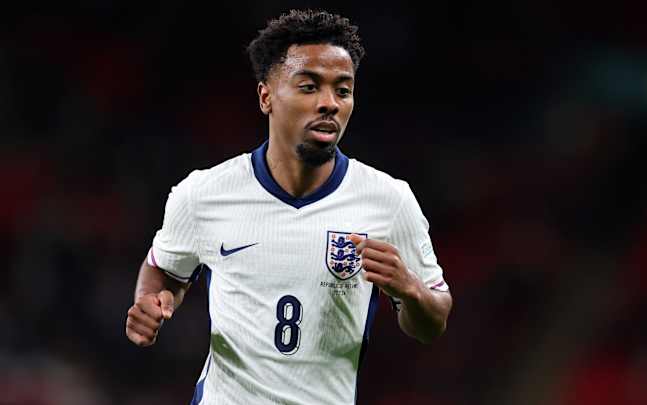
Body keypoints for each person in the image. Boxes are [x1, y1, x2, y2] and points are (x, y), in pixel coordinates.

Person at [125, 9, 452, 404]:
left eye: (343, 90)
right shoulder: (203, 194)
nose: (329, 103)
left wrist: (411, 290)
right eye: (309, 87)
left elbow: (432, 323)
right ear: (266, 97)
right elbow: (164, 270)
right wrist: (150, 302)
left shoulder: (389, 200)